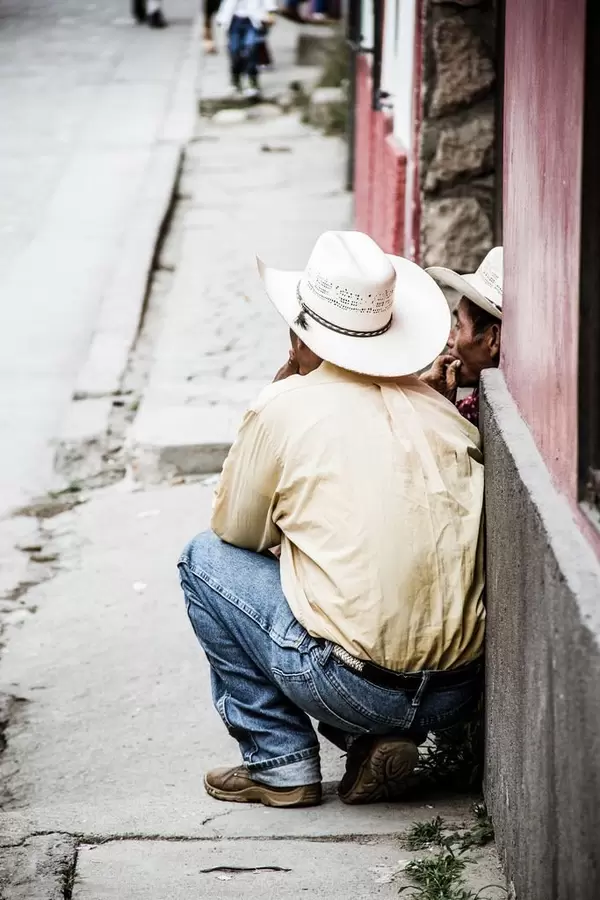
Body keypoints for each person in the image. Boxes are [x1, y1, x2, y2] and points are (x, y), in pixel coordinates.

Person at [179, 231, 486, 809]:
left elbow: (236, 535)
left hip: (354, 685)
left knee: (202, 561)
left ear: (300, 330)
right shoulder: (441, 412)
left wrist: (283, 385)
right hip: (458, 692)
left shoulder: (287, 406)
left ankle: (279, 761)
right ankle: (374, 740)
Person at [420, 247, 503, 429]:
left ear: (493, 339)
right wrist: (436, 402)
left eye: (458, 326)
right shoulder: (475, 406)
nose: (449, 340)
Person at [217, 0, 277, 99]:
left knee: (251, 49)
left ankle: (252, 81)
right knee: (234, 50)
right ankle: (235, 80)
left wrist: (270, 13)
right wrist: (221, 16)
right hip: (234, 19)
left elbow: (269, 3)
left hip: (253, 19)